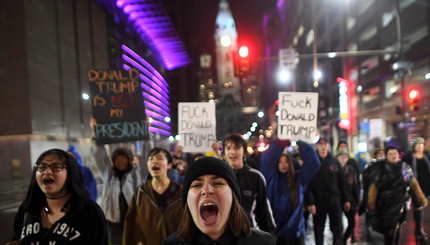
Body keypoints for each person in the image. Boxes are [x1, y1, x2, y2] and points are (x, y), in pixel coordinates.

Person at [162, 157, 275, 245]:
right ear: (187, 201)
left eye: (218, 183)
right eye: (197, 185)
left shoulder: (263, 242)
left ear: (233, 197)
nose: (206, 190)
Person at [9, 149, 107, 244]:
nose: (47, 171)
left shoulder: (90, 212)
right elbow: (17, 237)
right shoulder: (28, 207)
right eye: (41, 166)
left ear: (70, 174)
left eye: (56, 167)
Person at [91, 118, 150, 244]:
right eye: (116, 158)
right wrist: (96, 135)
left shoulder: (138, 172)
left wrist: (146, 132)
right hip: (113, 223)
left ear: (129, 160)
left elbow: (146, 153)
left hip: (136, 221)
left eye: (123, 158)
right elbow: (99, 155)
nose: (120, 161)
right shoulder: (108, 174)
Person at [260, 139, 320, 245]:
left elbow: (313, 164)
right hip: (275, 230)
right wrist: (280, 143)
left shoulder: (299, 179)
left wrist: (301, 142)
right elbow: (266, 159)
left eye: (286, 161)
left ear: (291, 163)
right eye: (280, 162)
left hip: (295, 231)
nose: (283, 164)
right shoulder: (271, 178)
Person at [367, 146, 428, 245]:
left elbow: (414, 184)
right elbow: (374, 186)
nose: (393, 156)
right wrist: (371, 203)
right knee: (389, 231)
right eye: (390, 154)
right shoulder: (381, 169)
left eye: (394, 153)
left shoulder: (405, 167)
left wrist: (421, 199)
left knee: (398, 227)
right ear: (386, 156)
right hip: (386, 205)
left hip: (401, 204)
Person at [122, 147, 183, 245]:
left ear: (169, 165)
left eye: (159, 158)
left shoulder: (180, 192)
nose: (154, 161)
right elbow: (130, 223)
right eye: (150, 159)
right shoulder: (141, 192)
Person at [222, 133, 276, 233]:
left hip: (249, 234)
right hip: (224, 235)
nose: (232, 152)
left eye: (237, 148)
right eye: (228, 148)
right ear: (224, 153)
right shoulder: (219, 177)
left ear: (244, 152)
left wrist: (270, 235)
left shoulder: (256, 177)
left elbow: (264, 210)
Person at [306, 136, 350, 245]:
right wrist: (310, 202)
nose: (323, 147)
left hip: (334, 201)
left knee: (338, 229)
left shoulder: (334, 162)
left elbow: (342, 182)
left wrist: (346, 199)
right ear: (317, 146)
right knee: (318, 229)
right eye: (320, 144)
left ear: (328, 146)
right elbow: (308, 185)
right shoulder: (312, 163)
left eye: (325, 144)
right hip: (319, 202)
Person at [401, 137, 430, 244]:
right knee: (419, 207)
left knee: (420, 207)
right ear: (413, 146)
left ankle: (418, 230)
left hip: (426, 186)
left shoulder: (427, 156)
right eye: (417, 145)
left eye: (421, 145)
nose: (420, 147)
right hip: (414, 186)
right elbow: (403, 170)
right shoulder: (408, 157)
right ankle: (419, 230)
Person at [337, 150, 360, 244]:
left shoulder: (351, 169)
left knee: (352, 223)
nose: (343, 159)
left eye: (345, 157)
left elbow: (355, 186)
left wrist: (357, 201)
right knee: (338, 225)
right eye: (341, 157)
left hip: (349, 200)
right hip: (337, 200)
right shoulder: (334, 169)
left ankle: (343, 240)